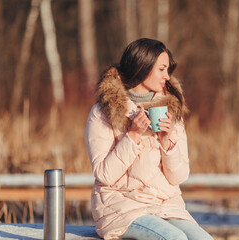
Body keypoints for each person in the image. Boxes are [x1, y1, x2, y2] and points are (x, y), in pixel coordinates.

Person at [84, 38, 214, 240]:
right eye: (162, 69)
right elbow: (104, 175)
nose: (167, 76)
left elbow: (178, 177)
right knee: (174, 239)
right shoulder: (104, 111)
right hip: (121, 208)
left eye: (168, 69)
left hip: (165, 206)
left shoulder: (170, 108)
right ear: (142, 67)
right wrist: (133, 136)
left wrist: (166, 141)